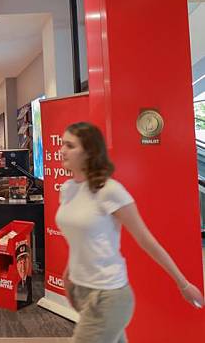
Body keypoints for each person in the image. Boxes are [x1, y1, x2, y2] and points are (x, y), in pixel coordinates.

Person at [56, 122, 203, 343]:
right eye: (63, 144)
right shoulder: (68, 189)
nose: (62, 150)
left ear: (89, 152)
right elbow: (81, 240)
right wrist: (69, 273)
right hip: (81, 290)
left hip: (108, 296)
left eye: (70, 145)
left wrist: (182, 283)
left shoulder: (110, 191)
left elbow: (145, 239)